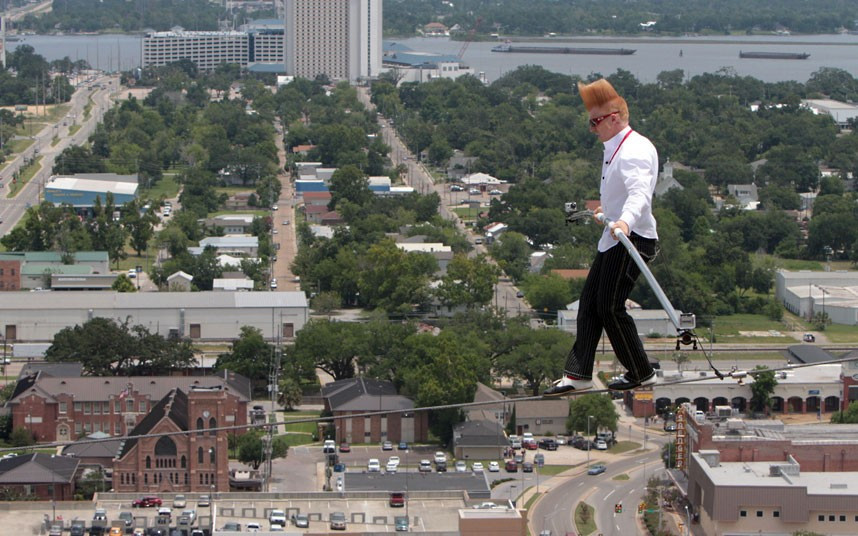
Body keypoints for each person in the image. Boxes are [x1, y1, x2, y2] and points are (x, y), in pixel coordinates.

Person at [544, 78, 659, 397]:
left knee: (610, 306)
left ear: (615, 117)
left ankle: (641, 372)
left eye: (596, 122)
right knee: (589, 304)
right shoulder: (616, 148)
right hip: (616, 238)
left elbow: (639, 194)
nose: (593, 129)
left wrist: (624, 220)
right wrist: (607, 214)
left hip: (632, 239)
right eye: (590, 122)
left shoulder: (633, 150)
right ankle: (578, 373)